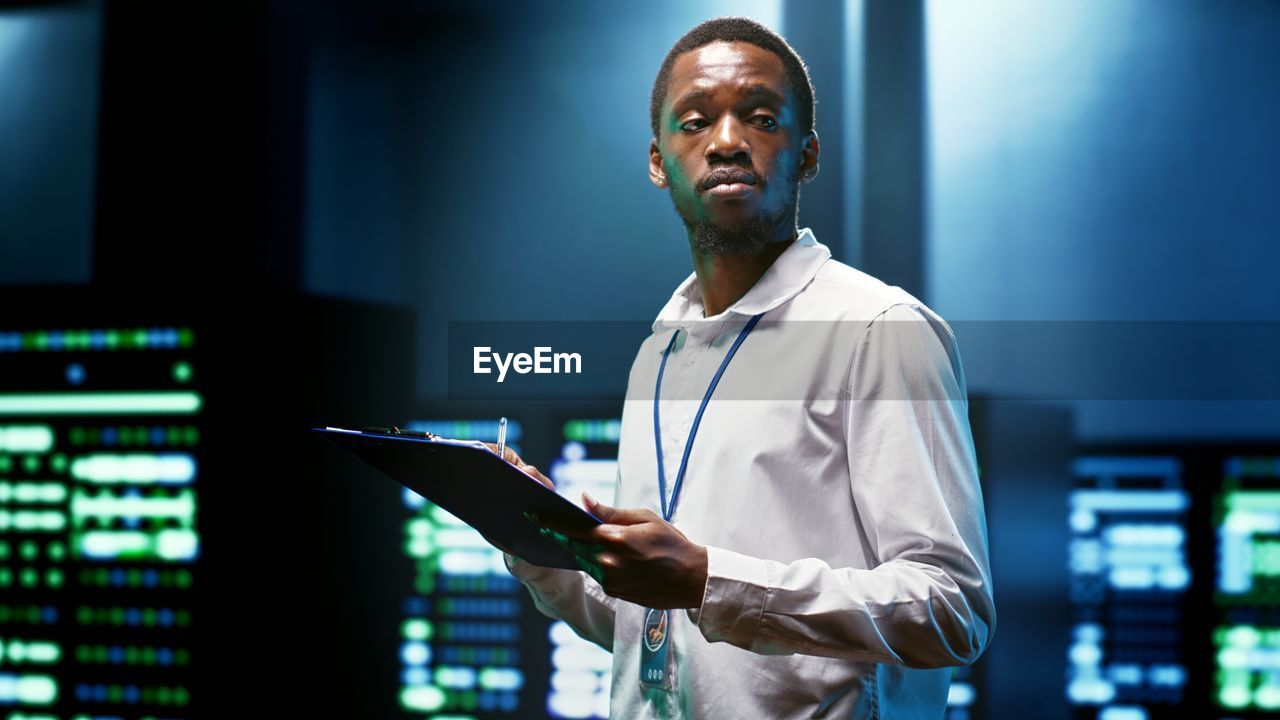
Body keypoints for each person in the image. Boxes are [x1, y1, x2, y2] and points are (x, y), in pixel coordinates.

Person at [492, 16, 996, 719]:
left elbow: (951, 609)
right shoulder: (660, 351)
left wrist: (707, 577)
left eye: (760, 118)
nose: (727, 142)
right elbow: (653, 635)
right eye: (695, 123)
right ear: (658, 161)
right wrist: (533, 540)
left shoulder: (879, 332)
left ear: (807, 153)